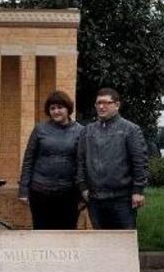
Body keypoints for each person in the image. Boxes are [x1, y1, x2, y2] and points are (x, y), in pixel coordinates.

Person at [77, 88, 148, 230]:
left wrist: (138, 191)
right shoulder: (87, 131)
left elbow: (140, 162)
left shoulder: (130, 130)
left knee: (123, 244)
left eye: (106, 103)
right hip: (95, 199)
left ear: (117, 105)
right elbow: (81, 161)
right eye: (98, 103)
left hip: (122, 199)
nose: (102, 106)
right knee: (102, 244)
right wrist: (83, 188)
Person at [18, 91, 84, 230]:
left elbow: (82, 163)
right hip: (40, 191)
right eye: (52, 108)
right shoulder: (40, 129)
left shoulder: (80, 131)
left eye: (60, 107)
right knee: (42, 233)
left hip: (68, 193)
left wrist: (82, 193)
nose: (56, 111)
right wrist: (23, 191)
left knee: (67, 234)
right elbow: (28, 159)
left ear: (68, 109)